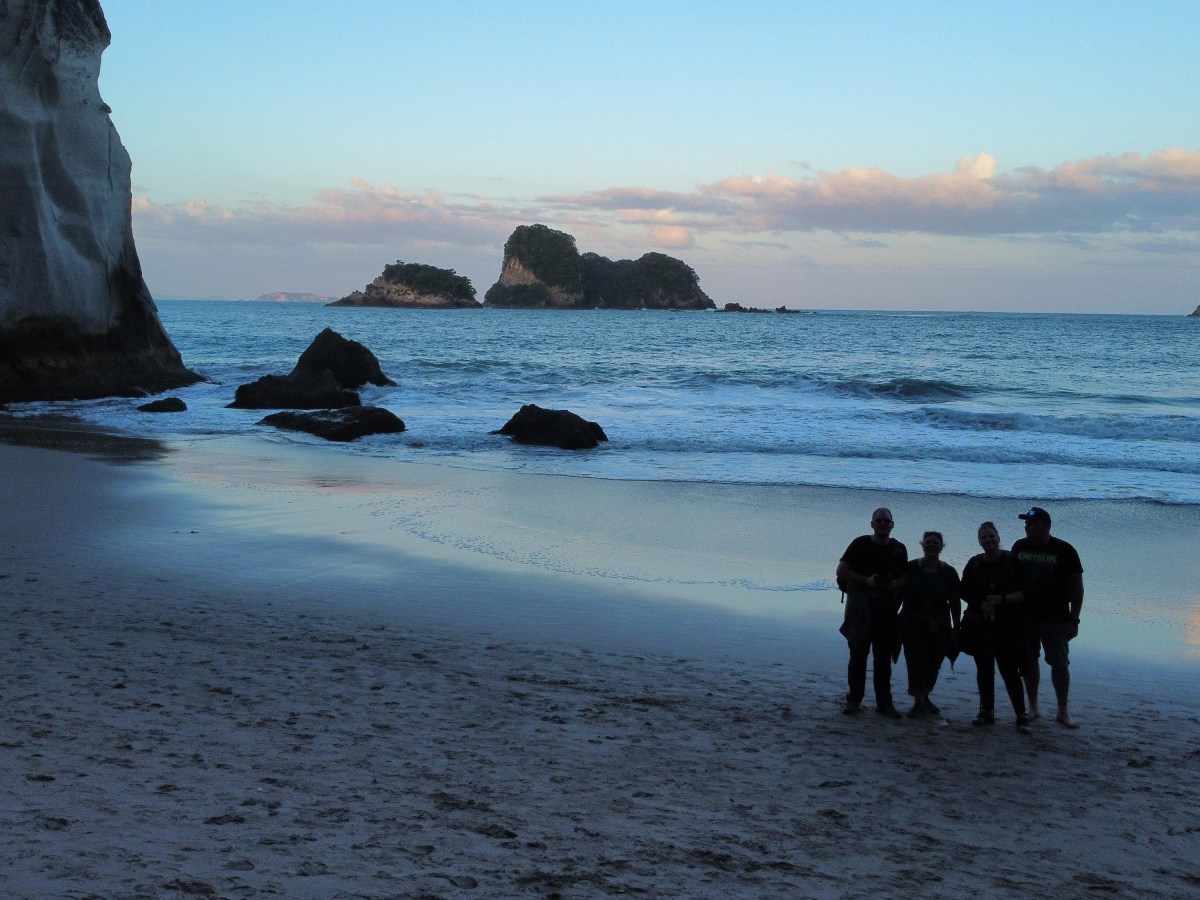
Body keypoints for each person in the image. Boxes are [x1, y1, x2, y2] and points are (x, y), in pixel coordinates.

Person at [1011, 506, 1085, 728]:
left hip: (1056, 617)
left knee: (1059, 663)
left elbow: (1077, 588)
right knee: (1028, 662)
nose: (1028, 527)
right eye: (1027, 524)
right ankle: (1033, 706)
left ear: (1046, 525)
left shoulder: (1065, 550)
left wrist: (1074, 619)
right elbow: (1011, 580)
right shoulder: (1019, 546)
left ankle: (1063, 711)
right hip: (1025, 617)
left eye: (1033, 523)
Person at [836, 507, 908, 718]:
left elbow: (905, 578)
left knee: (883, 659)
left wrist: (894, 584)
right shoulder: (860, 544)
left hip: (886, 609)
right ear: (872, 524)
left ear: (892, 524)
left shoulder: (899, 548)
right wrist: (867, 581)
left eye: (886, 521)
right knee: (858, 656)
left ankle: (884, 703)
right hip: (860, 609)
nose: (883, 524)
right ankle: (854, 700)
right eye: (879, 521)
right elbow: (841, 570)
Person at [960, 522, 1031, 733]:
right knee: (984, 670)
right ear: (979, 541)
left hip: (1008, 626)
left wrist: (1003, 599)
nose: (988, 540)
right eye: (984, 537)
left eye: (991, 536)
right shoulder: (974, 564)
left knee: (1009, 671)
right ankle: (986, 711)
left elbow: (1026, 592)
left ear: (998, 537)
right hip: (980, 625)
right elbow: (964, 591)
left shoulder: (1012, 561)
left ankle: (1021, 715)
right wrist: (980, 603)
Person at [898, 531, 961, 718]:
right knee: (915, 660)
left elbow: (955, 602)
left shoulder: (949, 572)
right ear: (922, 545)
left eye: (935, 543)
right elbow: (899, 593)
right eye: (928, 542)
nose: (932, 545)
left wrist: (956, 628)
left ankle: (925, 696)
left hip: (940, 624)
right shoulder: (911, 567)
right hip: (913, 622)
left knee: (934, 663)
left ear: (941, 547)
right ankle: (918, 701)